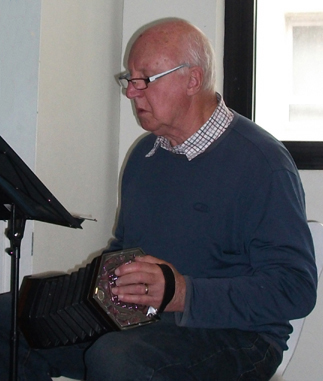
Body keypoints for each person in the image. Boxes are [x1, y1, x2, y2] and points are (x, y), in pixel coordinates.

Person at [0, 18, 317, 381]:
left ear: (192, 80)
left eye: (144, 79)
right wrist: (73, 295)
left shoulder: (262, 162)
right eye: (129, 79)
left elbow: (296, 288)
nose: (131, 92)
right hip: (140, 319)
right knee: (9, 320)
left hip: (238, 337)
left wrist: (183, 293)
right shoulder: (145, 156)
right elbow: (124, 249)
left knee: (116, 358)